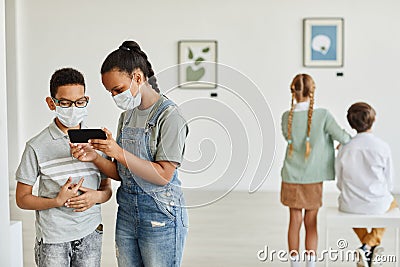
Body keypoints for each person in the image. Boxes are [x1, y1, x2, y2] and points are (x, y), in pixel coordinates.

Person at [71, 40, 189, 267]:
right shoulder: (127, 117)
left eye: (118, 89)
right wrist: (95, 156)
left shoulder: (170, 116)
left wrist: (118, 151)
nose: (115, 96)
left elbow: (163, 175)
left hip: (160, 217)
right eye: (110, 92)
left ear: (137, 77)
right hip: (126, 215)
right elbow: (120, 173)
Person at [15, 67, 112, 267]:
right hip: (53, 239)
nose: (74, 108)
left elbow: (107, 189)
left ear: (87, 100)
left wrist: (97, 197)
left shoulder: (98, 141)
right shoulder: (36, 146)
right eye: (66, 103)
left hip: (91, 233)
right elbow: (22, 199)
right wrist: (57, 201)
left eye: (80, 102)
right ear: (52, 103)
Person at [280, 73, 351, 267]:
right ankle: (310, 264)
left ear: (293, 92)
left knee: (294, 221)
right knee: (311, 221)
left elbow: (288, 137)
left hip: (291, 177)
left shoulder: (287, 117)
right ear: (312, 92)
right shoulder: (324, 115)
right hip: (313, 179)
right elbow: (344, 137)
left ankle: (294, 264)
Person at [336, 102, 396, 267]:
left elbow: (339, 183)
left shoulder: (344, 148)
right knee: (392, 203)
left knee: (351, 209)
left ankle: (366, 246)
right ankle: (368, 245)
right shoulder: (383, 147)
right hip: (377, 204)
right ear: (374, 119)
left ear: (351, 123)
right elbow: (389, 184)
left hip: (350, 204)